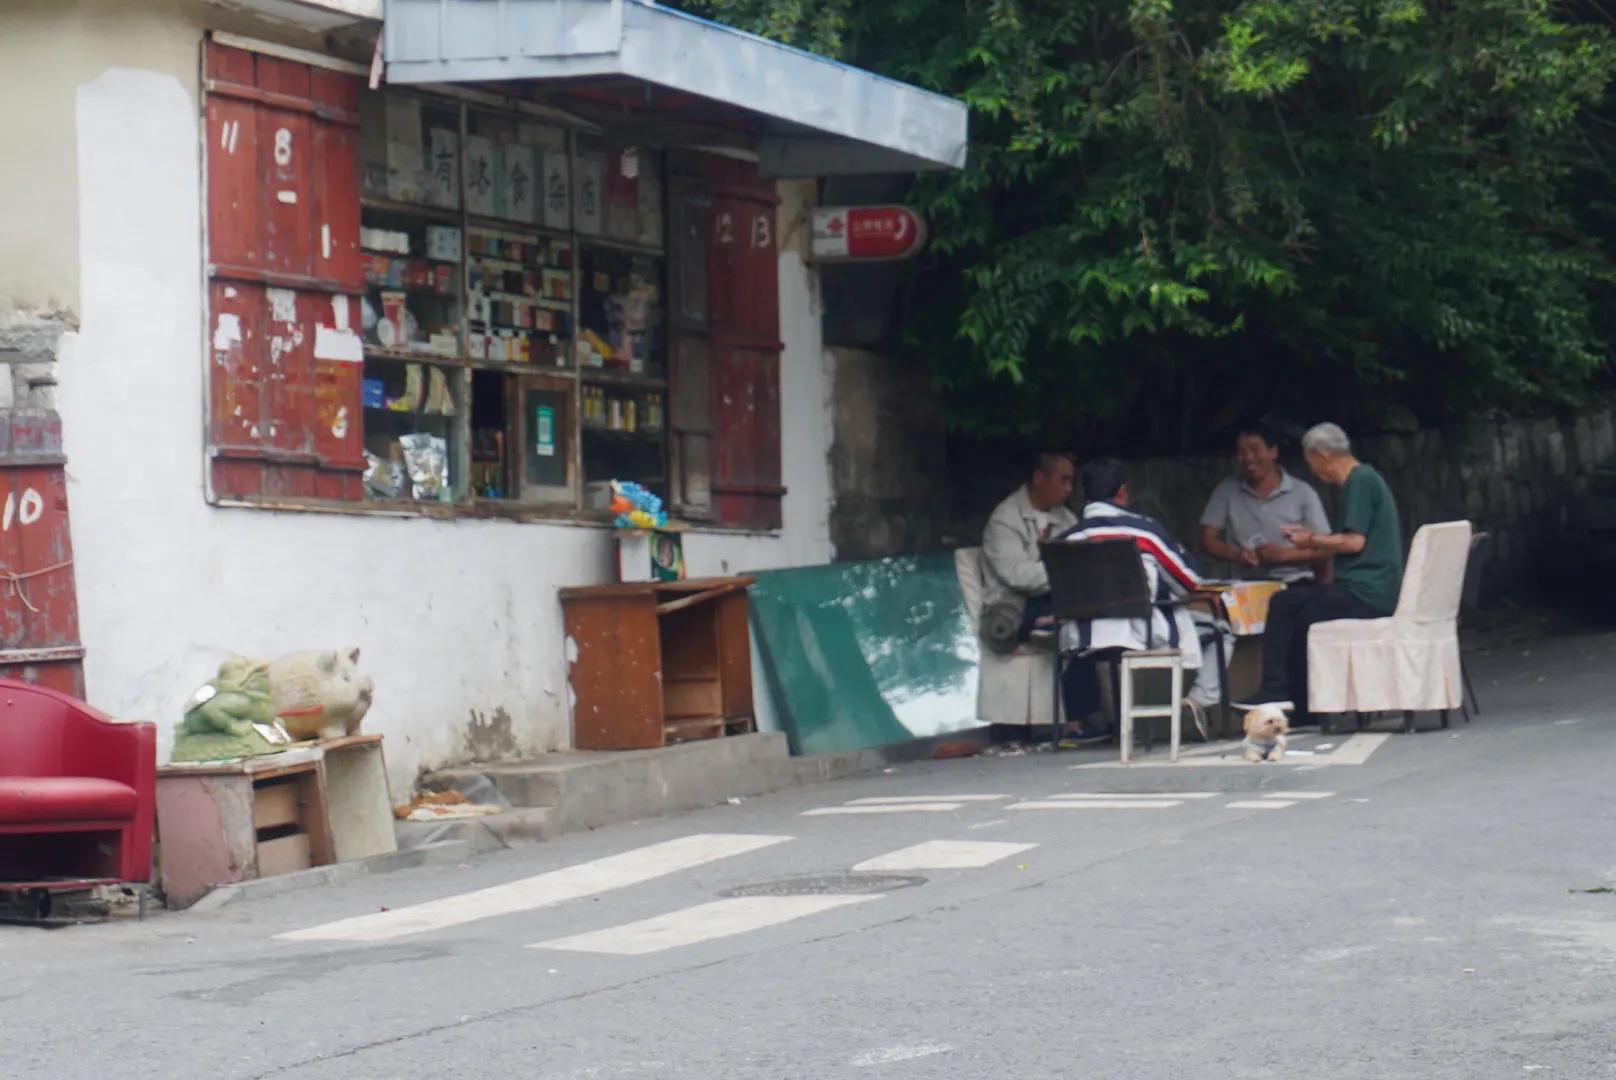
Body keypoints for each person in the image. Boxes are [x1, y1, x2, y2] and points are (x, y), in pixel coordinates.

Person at [1235, 423, 1404, 713]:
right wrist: (1309, 540)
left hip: (1364, 592)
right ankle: (1304, 707)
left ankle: (1274, 688)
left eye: (1310, 460)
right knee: (1302, 617)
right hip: (1372, 590)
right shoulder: (1366, 478)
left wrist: (1308, 538)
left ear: (1322, 455)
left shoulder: (1359, 482)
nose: (1311, 470)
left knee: (1284, 602)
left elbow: (1353, 543)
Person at [1057, 459, 1207, 729]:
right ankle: (1191, 705)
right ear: (1122, 491)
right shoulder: (1145, 532)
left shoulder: (1067, 540)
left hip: (1082, 638)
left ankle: (1081, 722)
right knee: (1215, 630)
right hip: (1141, 632)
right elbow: (1189, 583)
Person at [1199, 421, 1332, 584]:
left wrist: (1283, 556)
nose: (1248, 458)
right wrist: (1237, 555)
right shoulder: (1227, 490)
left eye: (1255, 450)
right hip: (1244, 585)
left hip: (1295, 582)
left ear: (1273, 452)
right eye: (1241, 452)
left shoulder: (1303, 493)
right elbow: (1207, 540)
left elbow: (1326, 549)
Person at [982, 451, 1078, 640]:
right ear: (1039, 478)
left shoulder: (1067, 518)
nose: (1069, 489)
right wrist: (1069, 573)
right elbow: (1019, 575)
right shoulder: (1004, 519)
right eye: (1064, 480)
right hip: (1011, 614)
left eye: (1071, 482)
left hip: (1056, 603)